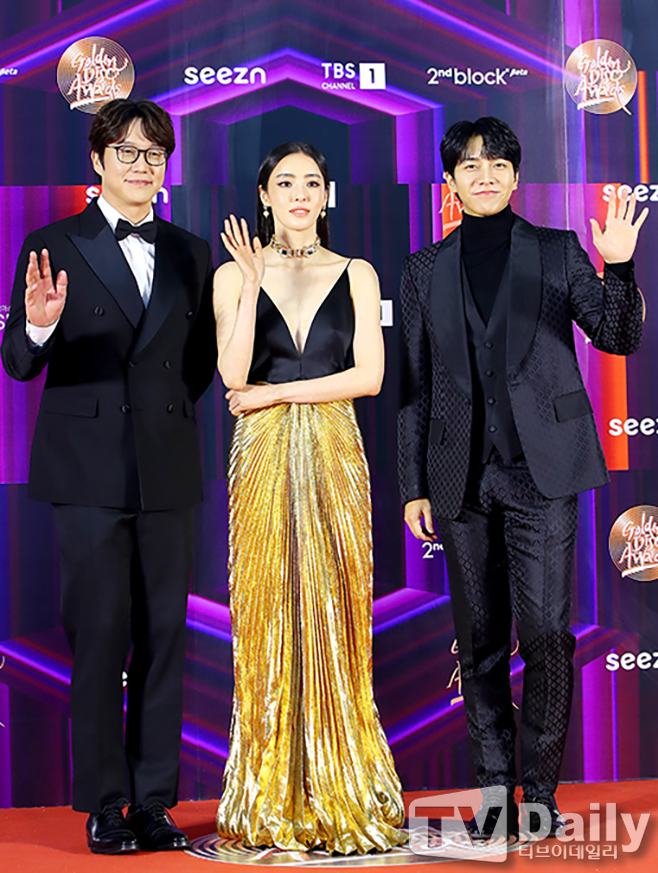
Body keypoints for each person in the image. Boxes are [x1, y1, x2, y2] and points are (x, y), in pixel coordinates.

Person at [398, 117, 647, 839]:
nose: (485, 176)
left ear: (515, 176)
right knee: (477, 643)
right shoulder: (422, 270)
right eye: (470, 166)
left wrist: (620, 268)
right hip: (460, 479)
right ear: (450, 181)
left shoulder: (559, 249)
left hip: (544, 474)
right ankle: (495, 793)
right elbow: (414, 387)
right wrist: (413, 485)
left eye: (498, 164)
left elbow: (619, 336)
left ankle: (538, 792)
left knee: (544, 636)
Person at [1, 98, 217, 854]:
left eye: (155, 154)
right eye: (127, 152)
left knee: (164, 639)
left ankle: (154, 802)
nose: (142, 166)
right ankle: (104, 803)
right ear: (97, 161)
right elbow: (18, 363)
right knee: (98, 638)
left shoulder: (192, 251)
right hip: (87, 471)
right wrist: (37, 324)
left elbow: (197, 366)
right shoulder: (52, 245)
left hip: (167, 469)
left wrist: (159, 417)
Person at [212, 142, 405, 854]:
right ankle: (269, 792)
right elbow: (232, 374)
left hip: (333, 446)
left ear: (327, 196)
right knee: (267, 608)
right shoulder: (233, 273)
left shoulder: (357, 272)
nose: (299, 193)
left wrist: (278, 394)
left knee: (333, 604)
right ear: (264, 195)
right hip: (261, 455)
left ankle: (341, 781)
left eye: (312, 182)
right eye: (285, 182)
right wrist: (250, 284)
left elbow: (368, 377)